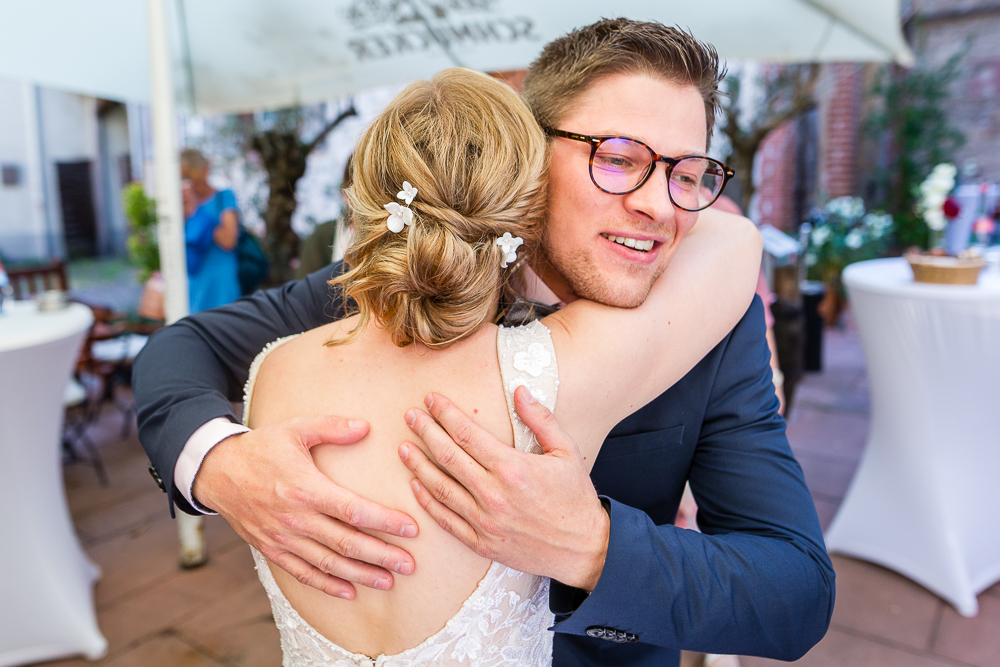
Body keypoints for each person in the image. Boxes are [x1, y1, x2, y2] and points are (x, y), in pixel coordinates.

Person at [134, 20, 835, 667]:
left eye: (687, 175)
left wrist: (595, 548)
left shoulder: (713, 320)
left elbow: (796, 588)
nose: (658, 206)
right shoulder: (405, 273)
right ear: (529, 153)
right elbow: (182, 348)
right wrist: (218, 464)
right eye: (620, 160)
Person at [243, 66, 759, 665]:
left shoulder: (272, 371)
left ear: (360, 196)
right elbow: (736, 240)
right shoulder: (546, 374)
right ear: (526, 212)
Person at [181, 148, 241, 313]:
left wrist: (197, 213)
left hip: (221, 280)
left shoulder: (223, 197)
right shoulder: (181, 204)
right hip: (195, 281)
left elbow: (229, 241)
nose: (187, 181)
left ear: (204, 171)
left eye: (188, 175)